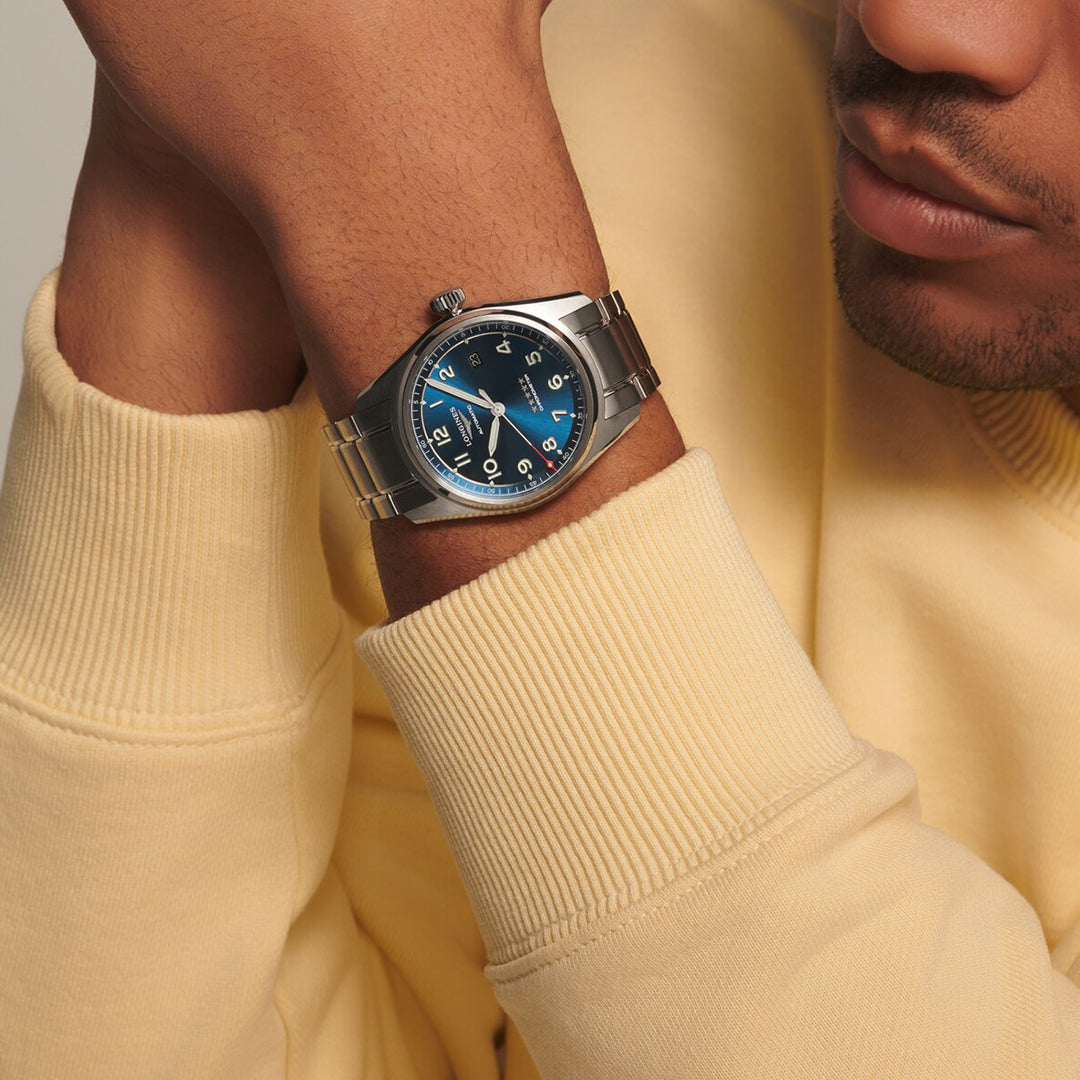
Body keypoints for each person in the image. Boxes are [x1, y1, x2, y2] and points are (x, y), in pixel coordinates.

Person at [2, 0, 1079, 1075]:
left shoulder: (467, 175)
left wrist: (438, 223)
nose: (913, 23)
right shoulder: (582, 120)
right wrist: (193, 140)